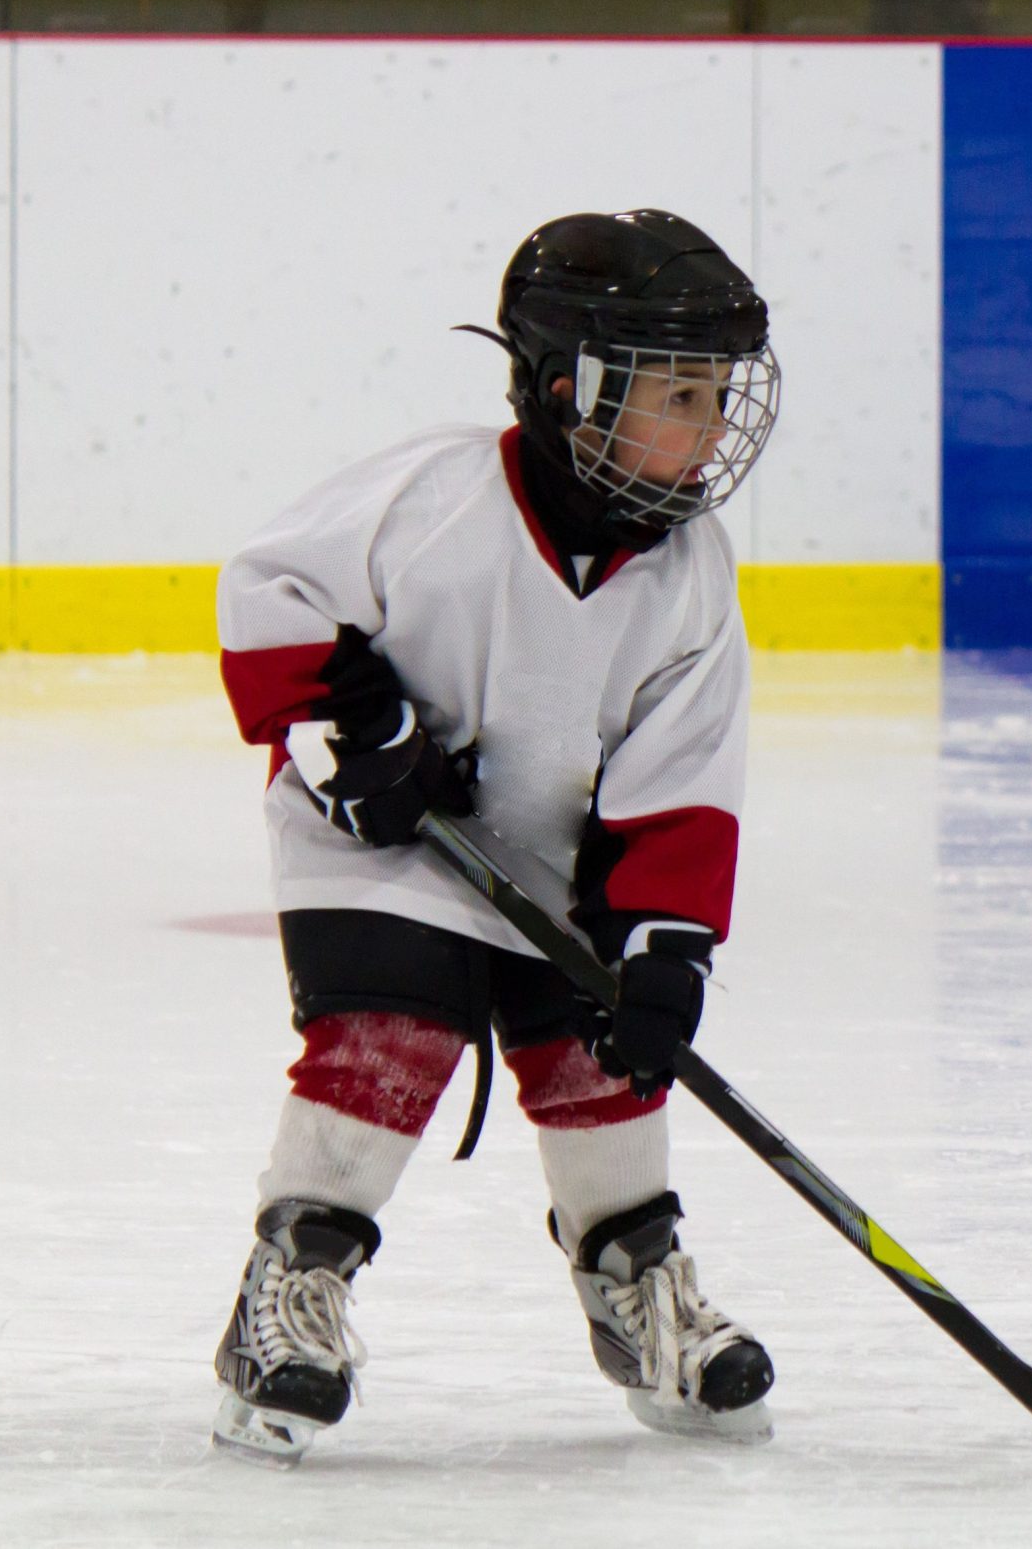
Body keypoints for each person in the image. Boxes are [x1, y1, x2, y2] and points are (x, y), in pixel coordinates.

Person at [207, 209, 783, 1467]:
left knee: (604, 1058)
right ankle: (289, 1290)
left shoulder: (691, 577)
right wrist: (353, 735)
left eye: (715, 390)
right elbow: (267, 594)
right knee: (387, 1036)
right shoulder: (432, 497)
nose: (708, 425)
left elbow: (678, 779)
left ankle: (636, 1276)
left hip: (556, 867)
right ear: (568, 386)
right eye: (672, 392)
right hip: (383, 846)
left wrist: (664, 949)